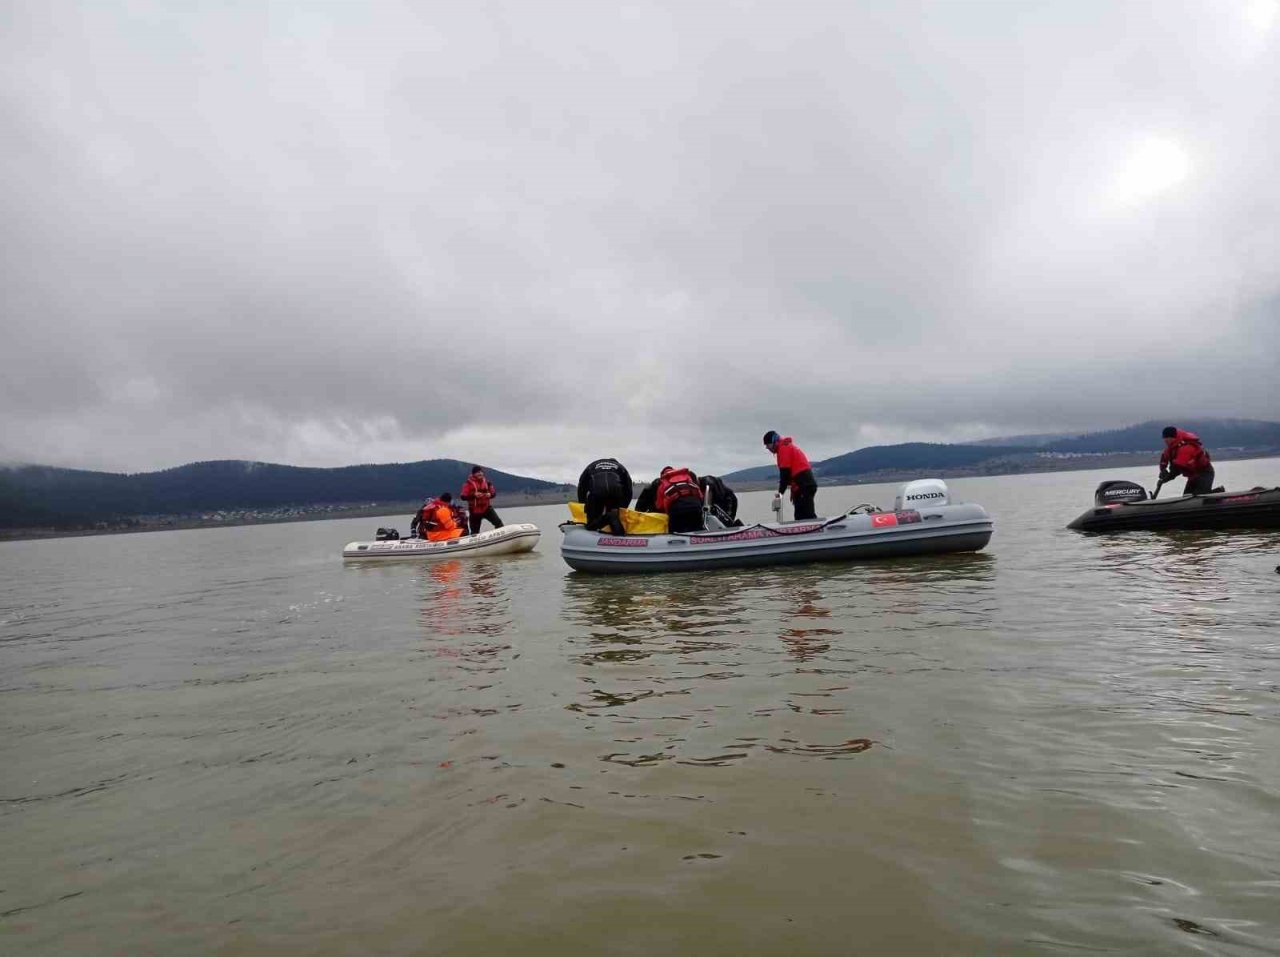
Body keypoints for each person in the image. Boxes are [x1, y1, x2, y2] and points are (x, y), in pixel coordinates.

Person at [763, 430, 819, 520]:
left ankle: (815, 531)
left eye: (767, 444)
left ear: (774, 441)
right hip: (802, 485)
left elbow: (784, 475)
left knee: (806, 516)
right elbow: (790, 474)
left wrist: (780, 494)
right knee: (801, 516)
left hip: (803, 485)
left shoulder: (783, 449)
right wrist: (793, 491)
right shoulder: (786, 447)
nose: (767, 447)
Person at [576, 458, 633, 535]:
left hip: (597, 491)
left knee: (591, 525)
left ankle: (608, 518)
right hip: (615, 492)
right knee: (614, 518)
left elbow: (582, 487)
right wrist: (622, 508)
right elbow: (628, 490)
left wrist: (583, 504)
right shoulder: (620, 467)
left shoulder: (592, 466)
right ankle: (619, 534)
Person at [1159, 426, 1216, 496]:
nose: (1165, 440)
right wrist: (1163, 470)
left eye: (1166, 438)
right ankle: (1215, 493)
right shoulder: (1171, 449)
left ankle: (1219, 495)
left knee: (1199, 497)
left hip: (1205, 473)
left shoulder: (1186, 448)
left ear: (1172, 438)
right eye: (1164, 438)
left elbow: (1178, 469)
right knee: (1187, 496)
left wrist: (1166, 478)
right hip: (1193, 476)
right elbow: (1164, 460)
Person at [655, 466, 705, 533]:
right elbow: (700, 495)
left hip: (677, 510)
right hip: (695, 506)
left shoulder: (663, 483)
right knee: (698, 531)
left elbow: (659, 506)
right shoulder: (687, 477)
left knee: (675, 534)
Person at [460, 465, 503, 534]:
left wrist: (490, 495)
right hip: (474, 510)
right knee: (475, 532)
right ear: (474, 474)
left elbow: (493, 494)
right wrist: (474, 495)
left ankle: (502, 538)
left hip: (487, 508)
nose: (480, 474)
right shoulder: (468, 483)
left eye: (481, 472)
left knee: (498, 523)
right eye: (477, 472)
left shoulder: (487, 482)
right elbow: (463, 497)